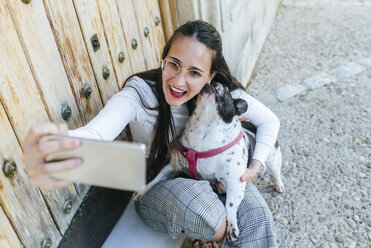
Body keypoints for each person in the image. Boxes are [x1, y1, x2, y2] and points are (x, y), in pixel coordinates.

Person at [22, 20, 279, 247]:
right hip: (160, 191)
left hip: (213, 177)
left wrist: (253, 167)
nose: (178, 81)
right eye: (173, 65)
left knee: (257, 217)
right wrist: (62, 147)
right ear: (163, 58)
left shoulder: (219, 95)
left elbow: (270, 121)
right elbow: (97, 132)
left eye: (194, 73)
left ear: (210, 75)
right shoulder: (139, 95)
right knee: (203, 206)